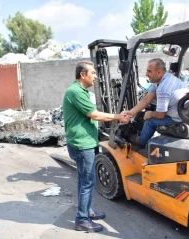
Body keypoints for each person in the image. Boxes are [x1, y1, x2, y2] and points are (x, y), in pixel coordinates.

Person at [63, 61, 131, 233]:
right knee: (87, 182)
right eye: (93, 73)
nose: (96, 76)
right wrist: (118, 117)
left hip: (85, 142)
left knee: (84, 181)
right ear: (82, 75)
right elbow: (94, 114)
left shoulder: (81, 91)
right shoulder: (76, 92)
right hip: (82, 144)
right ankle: (82, 220)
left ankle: (86, 211)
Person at [125, 58, 189, 146]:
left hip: (178, 119)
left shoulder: (163, 88)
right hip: (184, 114)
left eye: (149, 71)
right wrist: (131, 112)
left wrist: (149, 114)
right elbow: (147, 98)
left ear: (158, 72)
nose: (146, 74)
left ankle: (141, 141)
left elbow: (160, 115)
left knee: (150, 121)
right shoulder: (163, 79)